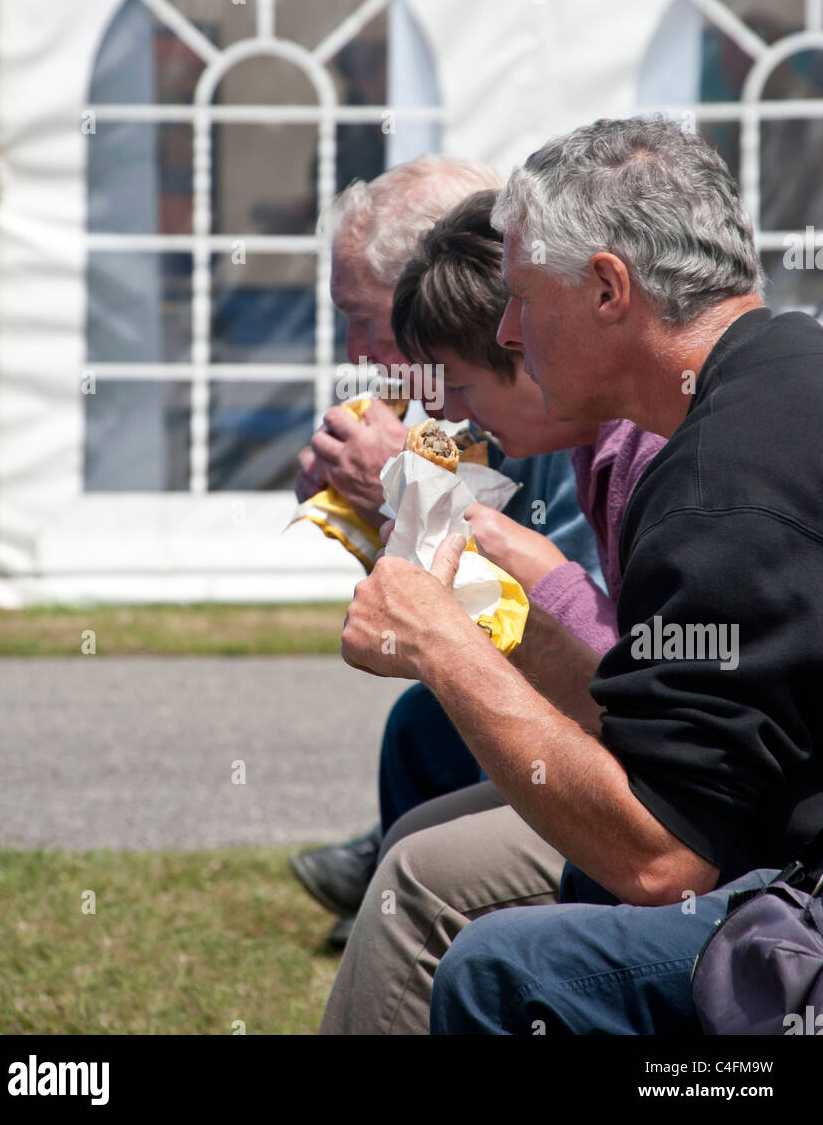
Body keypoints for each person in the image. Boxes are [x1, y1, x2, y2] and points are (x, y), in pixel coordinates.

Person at [334, 115, 823, 1036]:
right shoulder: (784, 374)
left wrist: (443, 644)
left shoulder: (719, 484)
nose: (507, 330)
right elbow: (665, 722)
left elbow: (660, 861)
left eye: (521, 296)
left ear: (607, 288)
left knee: (498, 967)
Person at [318, 190, 663, 1033]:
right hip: (654, 768)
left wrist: (442, 541)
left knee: (422, 874)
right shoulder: (584, 439)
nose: (441, 407)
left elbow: (618, 682)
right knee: (421, 756)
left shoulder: (645, 447)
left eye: (455, 379)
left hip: (689, 814)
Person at [289, 161, 603, 941]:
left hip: (629, 750)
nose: (359, 351)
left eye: (372, 320)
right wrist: (367, 516)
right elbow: (440, 608)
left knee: (427, 746)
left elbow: (554, 637)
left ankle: (414, 900)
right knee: (421, 724)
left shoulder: (561, 414)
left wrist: (400, 488)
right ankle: (394, 899)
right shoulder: (495, 396)